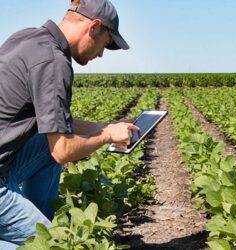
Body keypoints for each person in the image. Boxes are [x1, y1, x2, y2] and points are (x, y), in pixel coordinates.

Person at [0, 0, 138, 248]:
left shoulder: (27, 38)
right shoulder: (54, 62)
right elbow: (63, 150)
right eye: (105, 44)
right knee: (57, 243)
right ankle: (40, 237)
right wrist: (107, 137)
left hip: (4, 161)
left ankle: (39, 221)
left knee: (47, 141)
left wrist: (106, 125)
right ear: (94, 27)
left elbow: (58, 124)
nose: (101, 54)